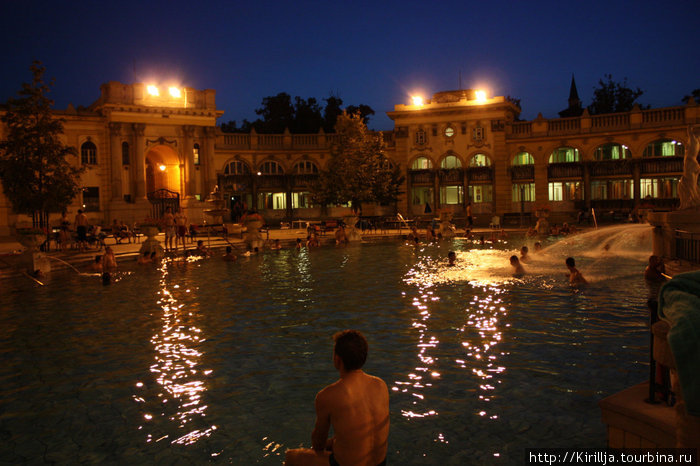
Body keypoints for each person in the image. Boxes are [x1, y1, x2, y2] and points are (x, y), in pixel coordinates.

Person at [285, 330, 389, 466]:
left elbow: (317, 445)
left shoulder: (327, 395)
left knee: (292, 456)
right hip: (380, 463)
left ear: (337, 359)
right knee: (334, 443)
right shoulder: (380, 385)